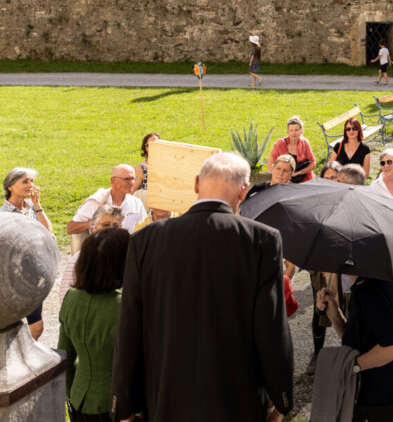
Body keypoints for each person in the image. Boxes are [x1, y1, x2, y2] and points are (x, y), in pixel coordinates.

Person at [113, 152, 293, 422]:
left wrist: (123, 404)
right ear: (244, 191)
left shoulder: (146, 240)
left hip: (166, 399)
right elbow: (271, 327)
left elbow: (130, 327)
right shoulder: (262, 240)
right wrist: (281, 397)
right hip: (236, 401)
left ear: (196, 184)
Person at [317, 268, 393, 422]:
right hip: (378, 403)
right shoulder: (368, 283)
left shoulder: (370, 289)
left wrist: (352, 367)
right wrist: (334, 313)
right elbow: (358, 341)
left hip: (380, 406)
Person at [58, 226, 131, 422]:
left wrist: (73, 394)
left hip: (80, 399)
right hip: (119, 406)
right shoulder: (126, 304)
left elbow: (65, 355)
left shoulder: (71, 297)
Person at [67, 165, 148, 243]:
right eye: (127, 179)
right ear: (112, 181)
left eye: (133, 179)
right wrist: (97, 222)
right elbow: (70, 228)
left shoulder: (136, 203)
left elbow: (145, 231)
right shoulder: (97, 201)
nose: (131, 183)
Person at [0, 166, 53, 233]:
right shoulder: (3, 214)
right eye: (25, 182)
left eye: (31, 181)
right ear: (10, 187)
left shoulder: (32, 205)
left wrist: (37, 205)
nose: (31, 185)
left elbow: (48, 231)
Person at [271, 116, 316, 182]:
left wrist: (298, 173)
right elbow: (270, 164)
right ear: (288, 131)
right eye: (291, 130)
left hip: (303, 179)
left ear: (301, 130)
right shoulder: (280, 143)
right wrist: (280, 176)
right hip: (283, 181)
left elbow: (313, 164)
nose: (293, 133)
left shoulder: (305, 143)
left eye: (296, 130)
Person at [132, 132, 158, 197]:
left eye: (156, 145)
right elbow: (132, 191)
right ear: (145, 148)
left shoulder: (168, 165)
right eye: (149, 145)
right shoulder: (141, 168)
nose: (153, 148)